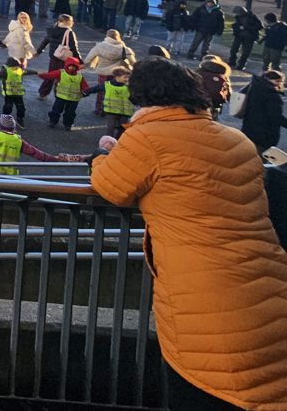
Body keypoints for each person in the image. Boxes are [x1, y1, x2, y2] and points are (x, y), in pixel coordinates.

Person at [88, 56, 287, 409]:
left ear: (141, 97)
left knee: (211, 383)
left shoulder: (147, 138)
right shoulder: (236, 141)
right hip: (269, 279)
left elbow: (112, 186)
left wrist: (99, 158)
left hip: (205, 296)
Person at [0, 114, 73, 175]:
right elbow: (36, 153)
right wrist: (54, 159)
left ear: (0, 126)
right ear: (13, 128)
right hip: (11, 174)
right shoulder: (18, 140)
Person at [240, 69, 287, 154]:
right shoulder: (273, 96)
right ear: (269, 80)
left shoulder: (253, 87)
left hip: (248, 128)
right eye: (277, 81)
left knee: (246, 156)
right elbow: (276, 117)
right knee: (259, 160)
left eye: (281, 82)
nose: (279, 84)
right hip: (265, 134)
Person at [42, 57, 90, 130]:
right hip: (61, 97)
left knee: (70, 113)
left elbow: (85, 86)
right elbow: (50, 75)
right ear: (67, 66)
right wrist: (41, 75)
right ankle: (53, 122)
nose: (71, 68)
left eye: (74, 67)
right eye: (70, 66)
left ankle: (68, 124)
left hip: (73, 99)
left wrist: (87, 91)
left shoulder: (79, 77)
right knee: (56, 110)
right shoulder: (61, 72)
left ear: (76, 68)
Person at [229, 6, 263, 71]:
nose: (237, 14)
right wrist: (236, 27)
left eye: (238, 13)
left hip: (249, 37)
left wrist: (247, 27)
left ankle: (241, 64)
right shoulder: (237, 17)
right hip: (239, 35)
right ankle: (232, 61)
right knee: (233, 49)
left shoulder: (252, 17)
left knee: (246, 52)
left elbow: (260, 26)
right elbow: (237, 24)